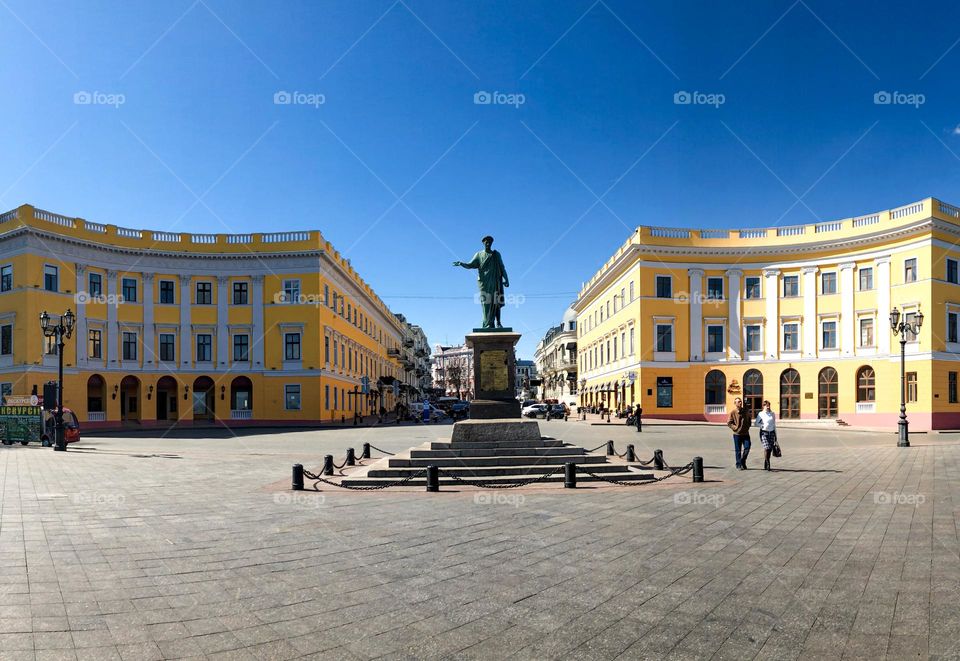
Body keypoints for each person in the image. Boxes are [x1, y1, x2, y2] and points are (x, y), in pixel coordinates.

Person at [727, 397, 751, 470]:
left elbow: (749, 419)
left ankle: (743, 460)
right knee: (738, 450)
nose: (740, 403)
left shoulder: (745, 410)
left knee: (747, 447)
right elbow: (729, 423)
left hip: (746, 433)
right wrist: (735, 428)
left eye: (740, 401)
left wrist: (748, 426)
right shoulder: (733, 412)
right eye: (738, 402)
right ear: (735, 403)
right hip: (737, 434)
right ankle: (738, 464)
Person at [755, 400, 777, 471]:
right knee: (766, 448)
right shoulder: (761, 414)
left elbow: (774, 424)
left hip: (771, 433)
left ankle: (766, 460)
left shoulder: (772, 414)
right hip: (764, 433)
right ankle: (768, 463)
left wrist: (776, 435)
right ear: (763, 406)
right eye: (766, 405)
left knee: (770, 449)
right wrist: (762, 426)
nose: (768, 407)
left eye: (768, 405)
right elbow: (756, 423)